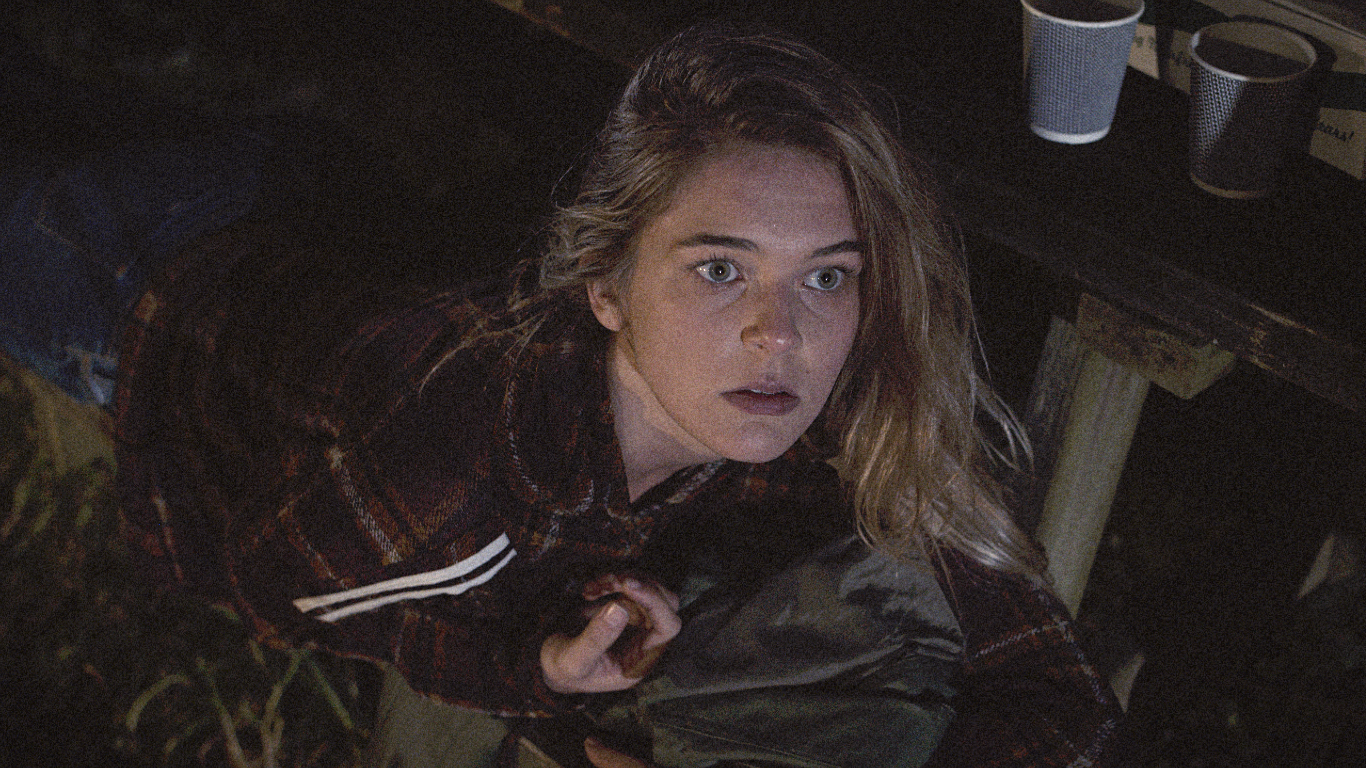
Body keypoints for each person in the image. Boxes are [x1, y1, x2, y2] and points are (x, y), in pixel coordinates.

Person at [105, 22, 1120, 768]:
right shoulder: (462, 465)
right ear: (604, 284)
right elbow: (273, 586)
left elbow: (1056, 691)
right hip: (162, 301)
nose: (782, 334)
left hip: (345, 224)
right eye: (720, 270)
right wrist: (525, 671)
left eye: (826, 275)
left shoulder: (837, 411)